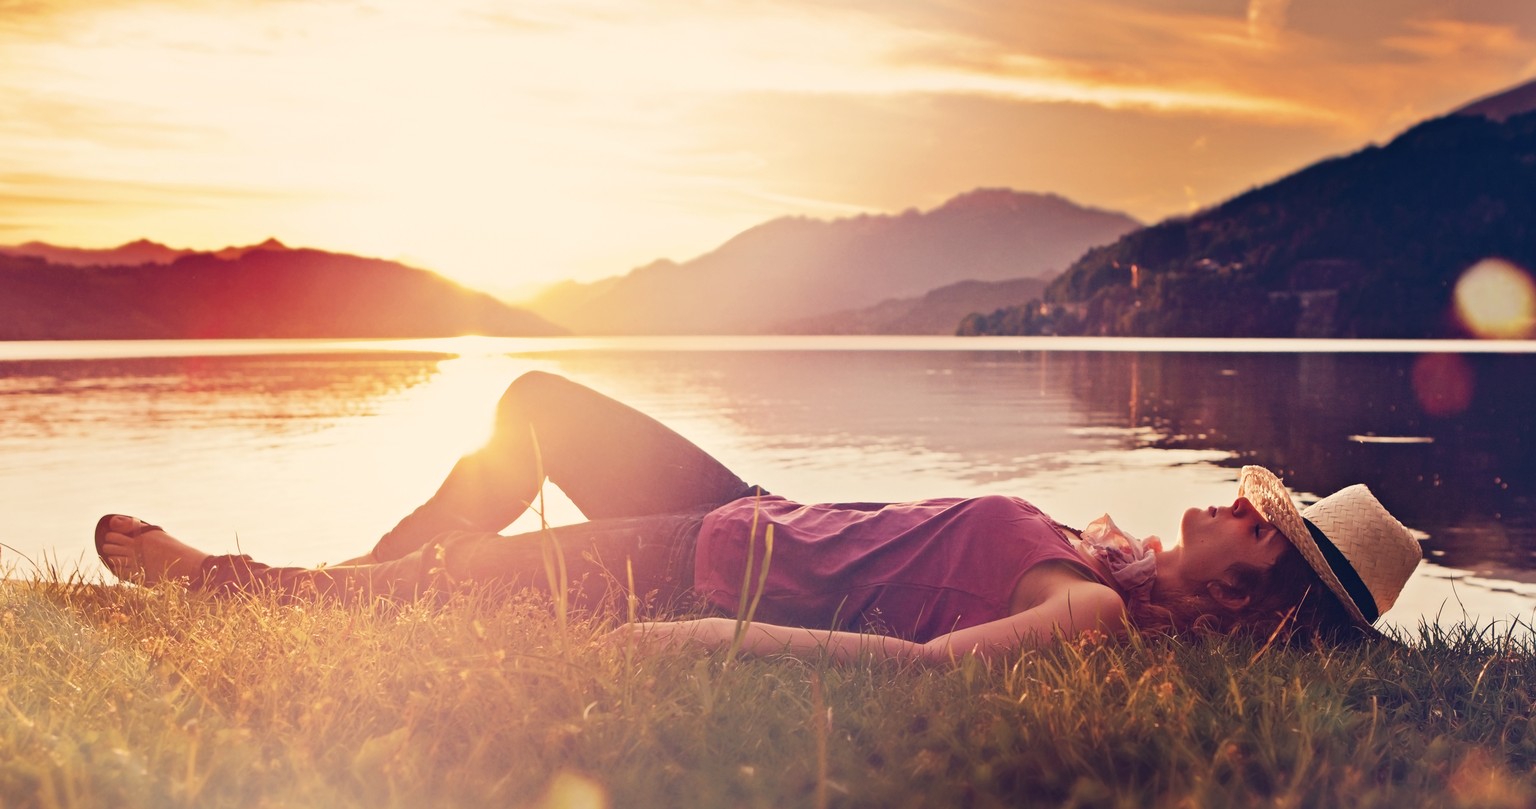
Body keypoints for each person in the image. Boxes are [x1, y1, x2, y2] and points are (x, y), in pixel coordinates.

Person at [95, 371, 1423, 662]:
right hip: (739, 507)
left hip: (697, 563)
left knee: (451, 589)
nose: (1238, 494)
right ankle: (360, 571)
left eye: (1262, 514)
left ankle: (233, 581)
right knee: (534, 402)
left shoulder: (1083, 610)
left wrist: (682, 641)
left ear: (1255, 576)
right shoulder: (1106, 556)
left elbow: (916, 675)